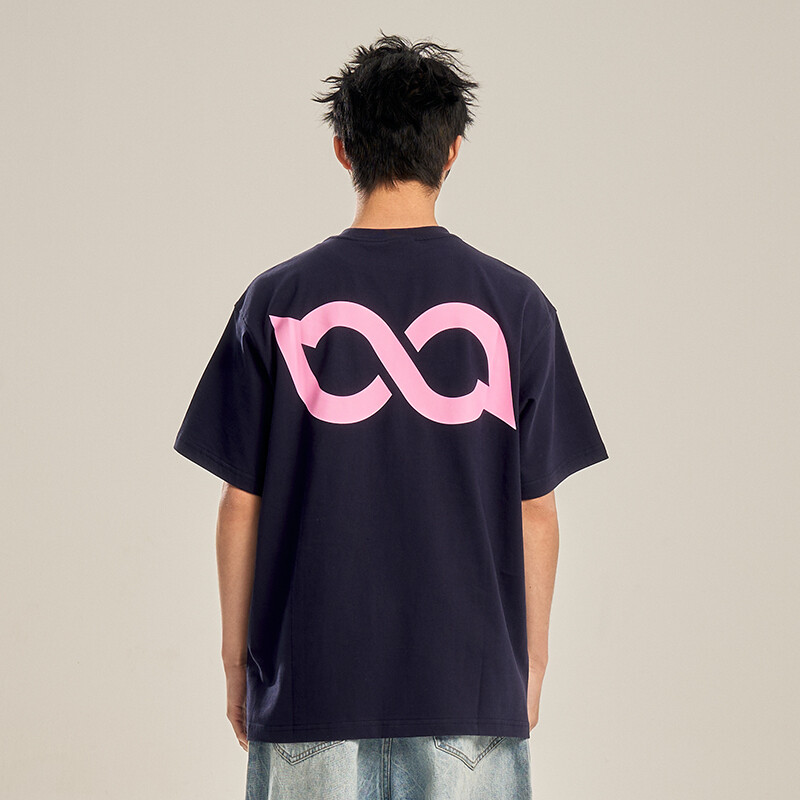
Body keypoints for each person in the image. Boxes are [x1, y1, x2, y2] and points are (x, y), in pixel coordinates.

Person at [173, 32, 609, 800]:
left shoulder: (276, 301)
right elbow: (535, 510)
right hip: (469, 686)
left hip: (309, 687)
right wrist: (531, 668)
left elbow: (241, 502)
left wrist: (236, 665)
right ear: (453, 152)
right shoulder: (516, 307)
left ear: (343, 149)